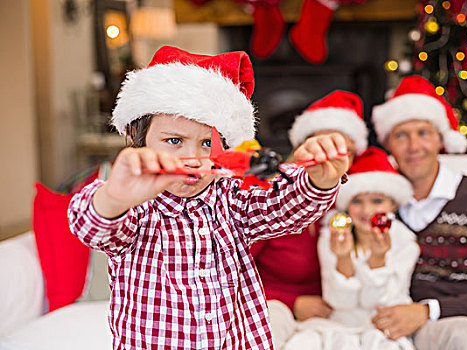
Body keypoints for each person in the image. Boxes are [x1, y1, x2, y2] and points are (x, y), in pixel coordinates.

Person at [67, 46, 350, 349]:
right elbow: (91, 226)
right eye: (174, 141)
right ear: (140, 140)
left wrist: (319, 179)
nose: (192, 156)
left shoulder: (233, 199)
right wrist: (114, 197)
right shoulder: (135, 209)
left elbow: (283, 209)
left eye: (206, 143)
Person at [370, 75, 467, 350]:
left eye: (423, 133)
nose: (414, 146)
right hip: (434, 329)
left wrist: (429, 310)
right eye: (401, 135)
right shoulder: (378, 202)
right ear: (388, 144)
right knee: (462, 333)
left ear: (440, 138)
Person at [250, 90, 367, 344]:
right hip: (273, 305)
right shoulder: (272, 199)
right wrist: (293, 303)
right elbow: (233, 270)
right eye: (323, 145)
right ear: (303, 148)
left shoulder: (359, 206)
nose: (331, 157)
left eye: (343, 151)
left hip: (337, 314)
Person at [277, 147, 419, 350]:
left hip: (382, 328)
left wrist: (378, 259)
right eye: (357, 201)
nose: (367, 210)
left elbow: (380, 302)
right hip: (336, 325)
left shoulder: (404, 242)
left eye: (377, 201)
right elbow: (339, 302)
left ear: (393, 204)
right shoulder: (331, 235)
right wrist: (343, 259)